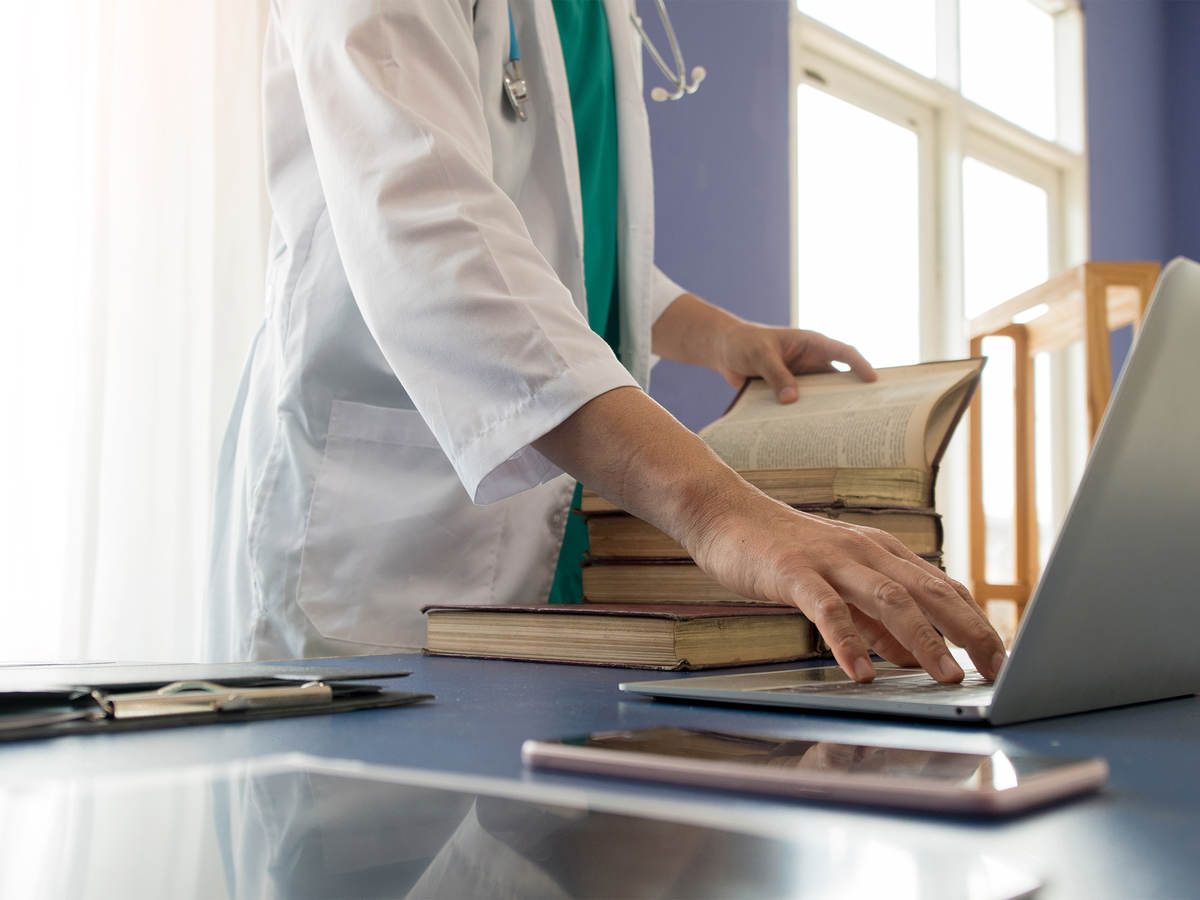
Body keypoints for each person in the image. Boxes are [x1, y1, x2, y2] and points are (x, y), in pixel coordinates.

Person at [208, 0, 1005, 686]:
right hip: (389, 527)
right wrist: (720, 512)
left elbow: (565, 244)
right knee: (375, 842)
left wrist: (718, 335)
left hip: (550, 530)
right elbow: (430, 228)